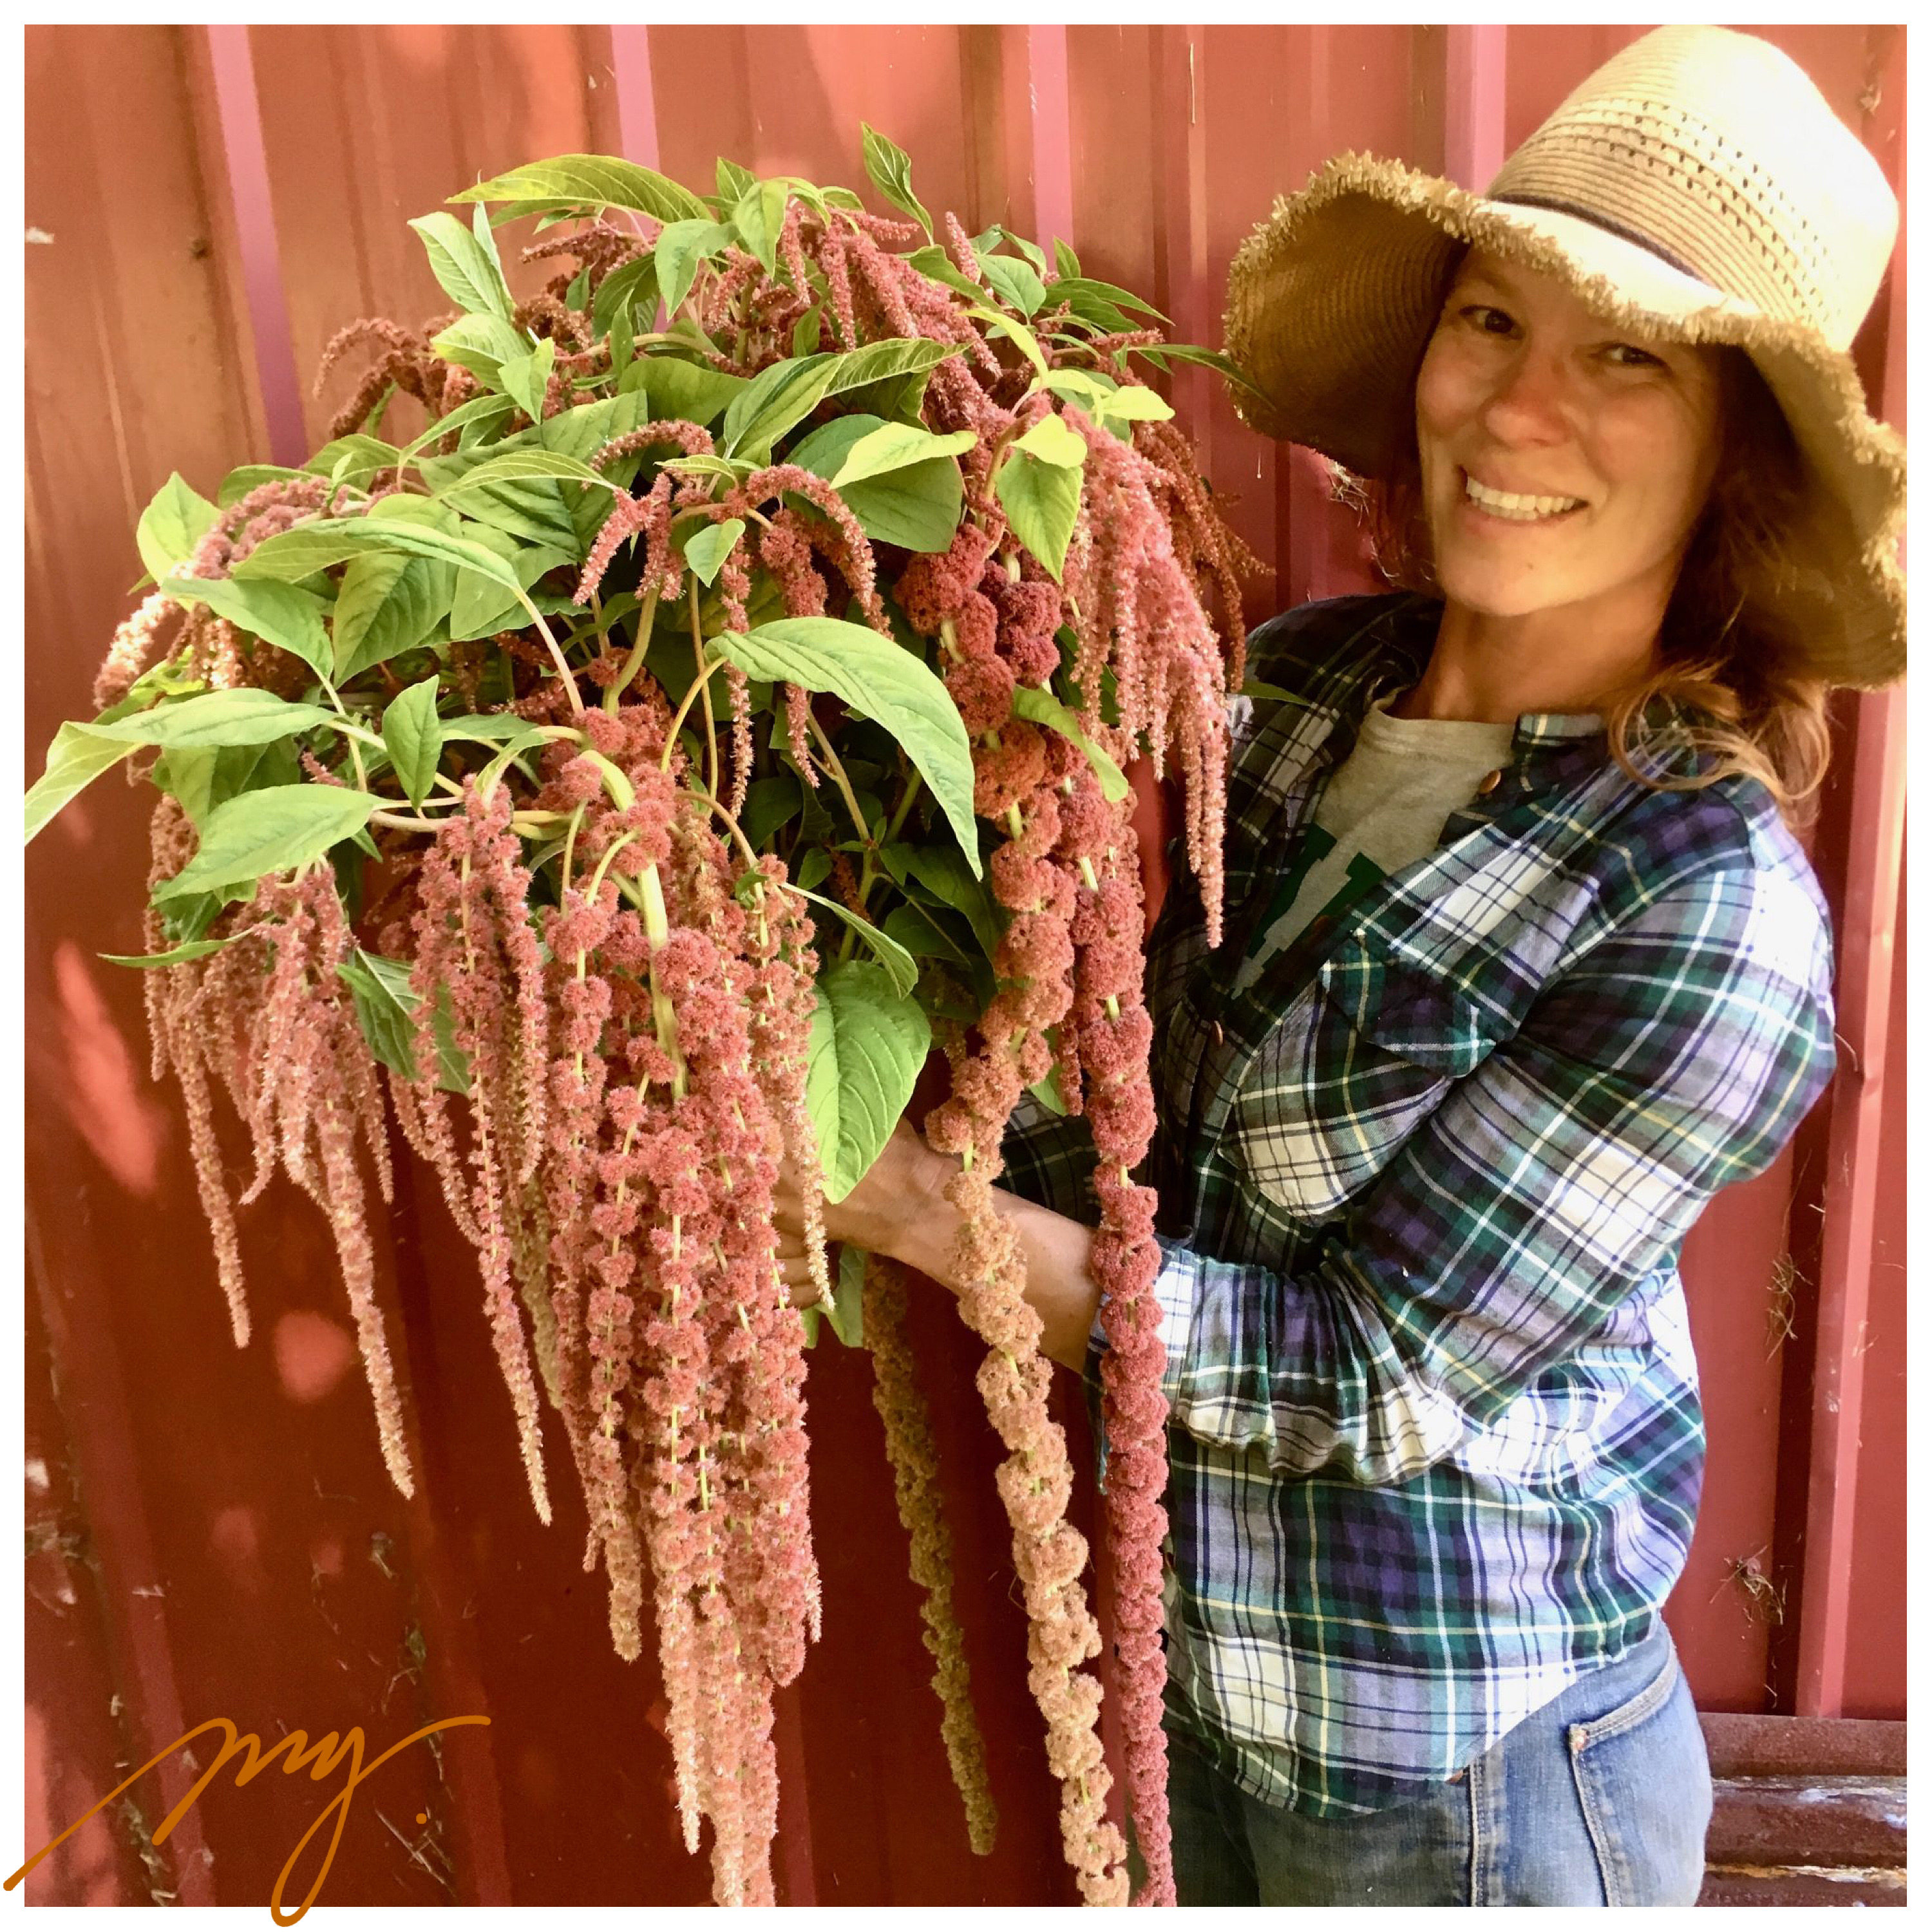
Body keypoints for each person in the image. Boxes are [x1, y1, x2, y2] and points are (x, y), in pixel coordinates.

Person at [774, 25, 1905, 1908]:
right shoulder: (1293, 689)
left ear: (1735, 462)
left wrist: (899, 1201)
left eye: (1628, 356)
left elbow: (1363, 1377)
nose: (1520, 410)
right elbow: (1123, 1116)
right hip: (1193, 1689)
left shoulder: (1704, 917)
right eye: (1490, 322)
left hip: (1465, 1778)